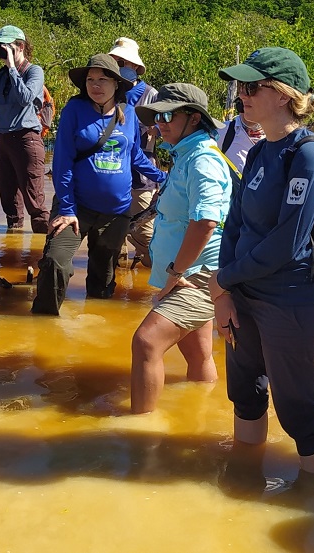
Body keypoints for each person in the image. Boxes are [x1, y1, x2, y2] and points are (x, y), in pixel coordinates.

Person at [209, 47, 314, 474]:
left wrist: (225, 278)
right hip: (244, 293)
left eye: (251, 87)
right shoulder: (261, 151)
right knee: (245, 392)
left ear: (282, 95)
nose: (240, 94)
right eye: (240, 87)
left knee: (297, 408)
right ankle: (242, 482)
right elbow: (234, 222)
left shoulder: (308, 156)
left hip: (291, 299)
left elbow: (288, 241)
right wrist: (224, 290)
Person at [31, 54, 165, 314]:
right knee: (56, 262)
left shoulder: (127, 112)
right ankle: (43, 330)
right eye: (90, 80)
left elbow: (134, 153)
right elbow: (62, 162)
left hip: (116, 212)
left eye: (103, 79)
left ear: (117, 83)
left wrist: (163, 177)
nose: (95, 85)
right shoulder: (75, 110)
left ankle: (95, 327)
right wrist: (67, 209)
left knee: (102, 278)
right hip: (75, 207)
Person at [129, 83, 233, 413]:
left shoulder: (202, 161)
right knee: (198, 354)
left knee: (146, 342)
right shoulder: (187, 155)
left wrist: (175, 272)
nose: (160, 123)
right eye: (157, 116)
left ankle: (139, 432)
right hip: (192, 271)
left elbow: (205, 222)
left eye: (169, 115)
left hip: (198, 275)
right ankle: (198, 417)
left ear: (194, 118)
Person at [0, 25, 49, 234]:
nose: (3, 51)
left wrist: (13, 67)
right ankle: (13, 253)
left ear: (20, 46)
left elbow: (25, 99)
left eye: (7, 47)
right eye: (0, 47)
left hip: (26, 139)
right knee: (9, 199)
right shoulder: (2, 74)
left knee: (35, 201)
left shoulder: (34, 71)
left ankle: (43, 251)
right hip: (3, 139)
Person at [108, 36, 159, 268]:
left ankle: (162, 275)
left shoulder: (151, 95)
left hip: (142, 173)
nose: (118, 65)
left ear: (135, 67)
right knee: (113, 232)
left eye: (122, 61)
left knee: (144, 231)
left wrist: (153, 127)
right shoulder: (110, 92)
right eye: (115, 60)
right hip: (113, 169)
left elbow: (165, 128)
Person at [216, 97, 265, 174]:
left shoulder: (279, 137)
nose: (245, 111)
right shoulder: (223, 130)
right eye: (240, 105)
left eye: (250, 106)